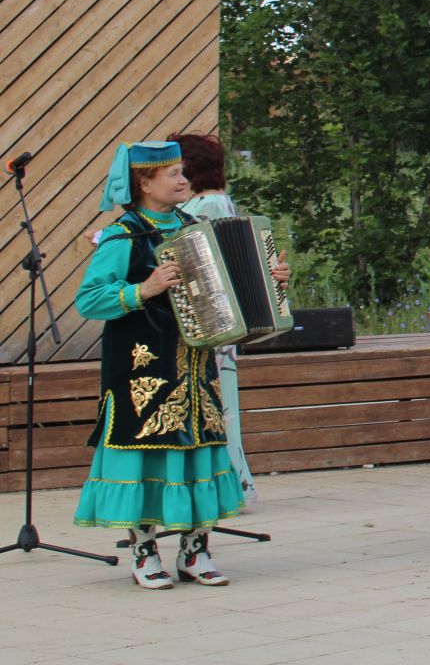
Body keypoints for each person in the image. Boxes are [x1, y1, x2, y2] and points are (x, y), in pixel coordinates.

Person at [72, 140, 288, 589]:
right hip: (142, 371)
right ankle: (144, 552)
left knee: (200, 453)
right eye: (171, 174)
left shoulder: (197, 228)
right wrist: (144, 289)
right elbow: (88, 299)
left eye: (181, 172)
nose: (182, 179)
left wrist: (271, 281)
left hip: (195, 367)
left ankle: (195, 551)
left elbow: (228, 291)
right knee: (151, 458)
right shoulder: (122, 235)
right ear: (144, 183)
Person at [171, 131, 257, 508]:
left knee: (216, 407)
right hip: (226, 322)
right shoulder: (220, 200)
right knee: (224, 406)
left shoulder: (202, 208)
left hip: (212, 323)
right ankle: (235, 483)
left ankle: (226, 487)